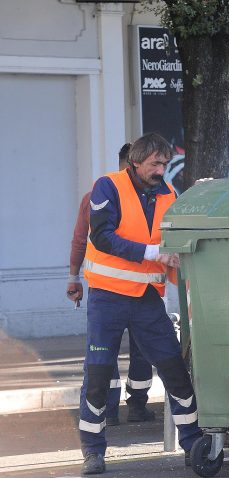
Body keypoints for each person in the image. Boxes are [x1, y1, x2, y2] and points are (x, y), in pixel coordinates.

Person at [78, 133, 200, 474]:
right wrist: (152, 253)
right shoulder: (108, 186)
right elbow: (102, 236)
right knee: (99, 375)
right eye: (154, 164)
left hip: (147, 299)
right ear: (135, 163)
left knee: (174, 369)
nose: (161, 170)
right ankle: (93, 450)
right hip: (107, 298)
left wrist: (179, 272)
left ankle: (193, 442)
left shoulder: (168, 194)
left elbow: (173, 243)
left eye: (164, 163)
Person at [67, 143, 155, 426]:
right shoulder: (149, 199)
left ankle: (109, 410)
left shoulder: (93, 196)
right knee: (141, 348)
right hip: (143, 289)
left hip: (106, 290)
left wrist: (73, 278)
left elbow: (80, 240)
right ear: (134, 163)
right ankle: (138, 406)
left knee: (105, 350)